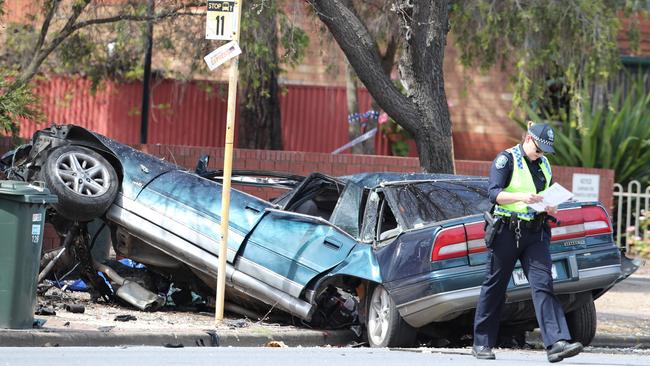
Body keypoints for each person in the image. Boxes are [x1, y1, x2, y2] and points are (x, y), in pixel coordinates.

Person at [472, 122, 583, 363]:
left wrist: (550, 204)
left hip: (536, 232)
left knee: (544, 284)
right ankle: (482, 342)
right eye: (540, 148)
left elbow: (543, 194)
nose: (542, 154)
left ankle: (556, 343)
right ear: (529, 139)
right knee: (495, 287)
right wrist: (522, 196)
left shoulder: (544, 163)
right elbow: (494, 193)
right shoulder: (506, 159)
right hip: (506, 232)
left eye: (546, 150)